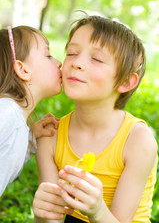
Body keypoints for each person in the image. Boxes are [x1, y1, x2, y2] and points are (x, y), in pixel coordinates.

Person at [33, 12, 158, 223]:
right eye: (72, 53)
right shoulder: (50, 135)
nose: (77, 63)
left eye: (97, 59)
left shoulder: (138, 141)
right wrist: (41, 215)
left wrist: (98, 210)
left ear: (126, 82)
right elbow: (51, 217)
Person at [0, 25, 62, 196]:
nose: (59, 62)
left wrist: (30, 138)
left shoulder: (13, 117)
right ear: (23, 70)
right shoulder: (6, 112)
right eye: (48, 56)